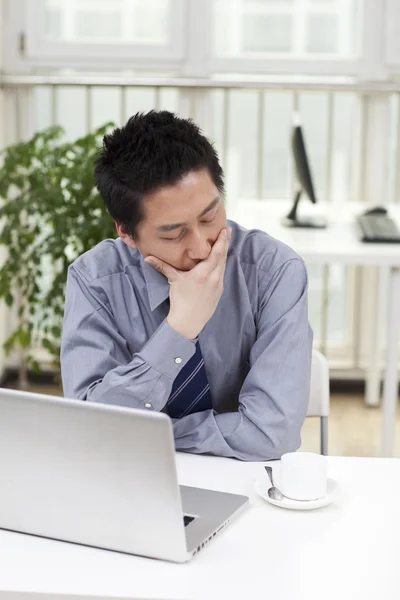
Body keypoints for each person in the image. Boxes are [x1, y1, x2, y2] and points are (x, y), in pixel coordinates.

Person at [61, 110, 313, 461]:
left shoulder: (274, 271)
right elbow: (89, 425)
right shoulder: (96, 281)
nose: (201, 246)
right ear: (126, 232)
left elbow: (273, 433)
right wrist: (180, 329)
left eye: (209, 216)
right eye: (174, 232)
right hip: (129, 479)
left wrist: (151, 434)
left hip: (244, 484)